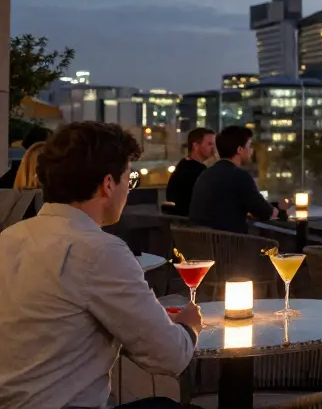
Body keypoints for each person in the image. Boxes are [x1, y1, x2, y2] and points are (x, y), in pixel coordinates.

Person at [0, 121, 200, 408]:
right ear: (108, 184)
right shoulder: (98, 250)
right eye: (129, 181)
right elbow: (169, 356)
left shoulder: (9, 237)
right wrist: (189, 327)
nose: (129, 191)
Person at [188, 125, 281, 233]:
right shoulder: (239, 176)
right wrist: (277, 210)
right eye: (249, 146)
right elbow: (265, 212)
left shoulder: (206, 173)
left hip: (201, 243)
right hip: (229, 244)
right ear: (240, 150)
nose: (251, 151)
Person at [166, 127, 216, 215]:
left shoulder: (184, 165)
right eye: (209, 144)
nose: (214, 149)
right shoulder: (197, 171)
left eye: (214, 144)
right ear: (196, 146)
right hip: (191, 222)